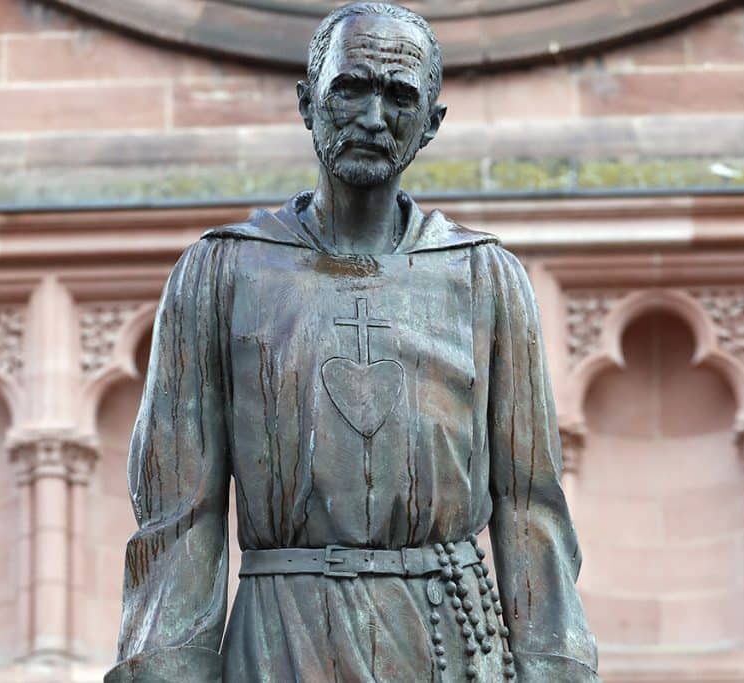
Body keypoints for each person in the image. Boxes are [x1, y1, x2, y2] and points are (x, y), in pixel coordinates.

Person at [106, 3, 599, 681]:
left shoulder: (486, 277)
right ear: (308, 103)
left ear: (431, 123)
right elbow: (178, 516)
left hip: (447, 636)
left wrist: (556, 666)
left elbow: (529, 506)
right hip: (281, 634)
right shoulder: (221, 272)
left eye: (399, 97)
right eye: (351, 87)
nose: (373, 117)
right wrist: (164, 669)